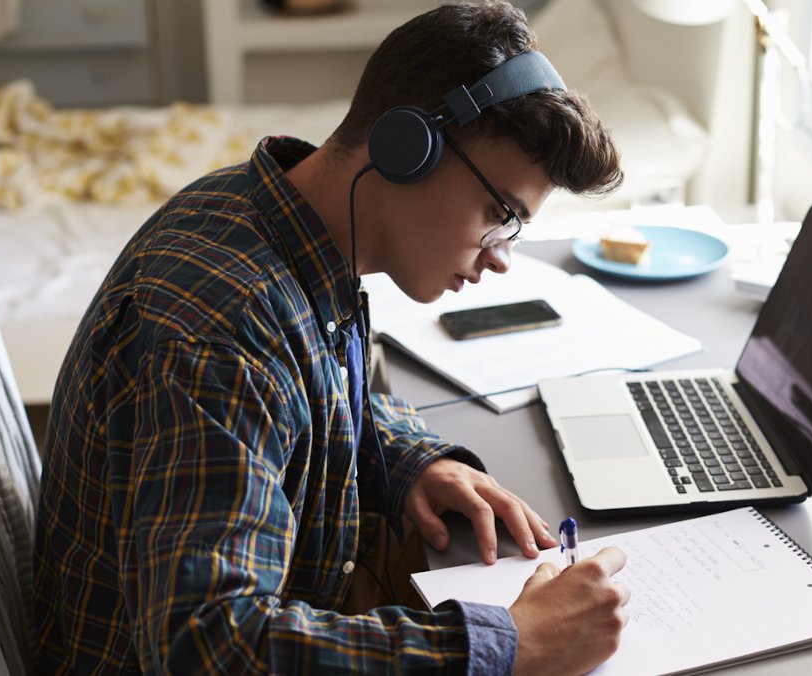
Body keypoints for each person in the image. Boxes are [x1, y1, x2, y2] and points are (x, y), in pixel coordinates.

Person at [33, 2, 630, 673]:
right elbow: (208, 645)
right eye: (500, 214)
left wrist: (411, 461)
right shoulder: (221, 331)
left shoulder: (262, 216)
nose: (499, 257)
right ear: (407, 149)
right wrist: (511, 644)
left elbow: (293, 401)